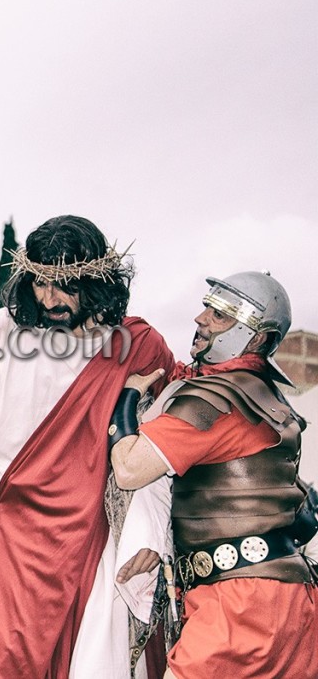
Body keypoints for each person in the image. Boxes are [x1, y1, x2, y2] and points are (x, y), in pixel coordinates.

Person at [0, 215, 176, 678]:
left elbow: (165, 450)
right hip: (15, 535)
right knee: (4, 664)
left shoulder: (139, 346)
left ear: (98, 280)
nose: (50, 299)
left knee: (92, 666)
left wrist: (150, 532)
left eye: (66, 286)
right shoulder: (3, 332)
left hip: (95, 534)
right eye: (40, 283)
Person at [110, 271, 318, 678]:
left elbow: (130, 468)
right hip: (289, 596)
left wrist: (127, 398)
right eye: (208, 306)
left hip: (240, 606)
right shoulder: (267, 397)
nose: (201, 318)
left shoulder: (217, 398)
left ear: (256, 338)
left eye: (220, 315)